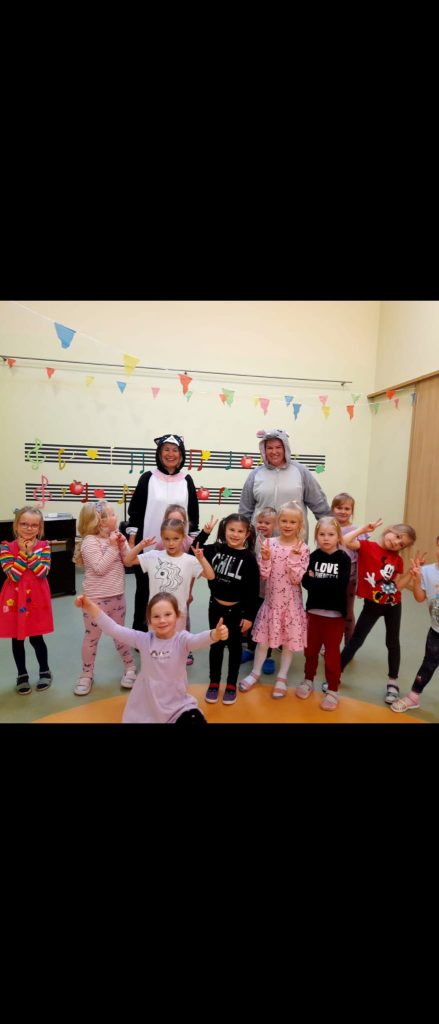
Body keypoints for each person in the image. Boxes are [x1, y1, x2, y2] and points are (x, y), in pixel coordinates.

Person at [75, 591, 229, 724]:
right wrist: (90, 607)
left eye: (167, 614)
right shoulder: (143, 640)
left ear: (177, 615)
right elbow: (114, 629)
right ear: (149, 620)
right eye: (156, 616)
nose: (162, 620)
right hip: (147, 706)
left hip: (177, 706)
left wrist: (214, 634)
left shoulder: (182, 640)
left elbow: (198, 639)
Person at [126, 434, 199, 630]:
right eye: (166, 449)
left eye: (175, 450)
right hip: (149, 548)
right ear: (159, 453)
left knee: (176, 593)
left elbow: (193, 515)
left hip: (178, 549)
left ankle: (173, 634)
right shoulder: (148, 478)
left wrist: (193, 546)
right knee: (145, 592)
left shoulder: (187, 480)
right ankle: (141, 634)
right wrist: (132, 540)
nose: (170, 454)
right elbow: (135, 511)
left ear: (181, 455)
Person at [72, 501, 145, 696]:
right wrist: (113, 546)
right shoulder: (90, 542)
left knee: (120, 634)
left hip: (117, 596)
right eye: (112, 514)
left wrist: (124, 544)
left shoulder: (115, 537)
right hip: (95, 601)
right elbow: (99, 568)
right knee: (92, 637)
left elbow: (127, 561)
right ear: (100, 521)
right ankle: (86, 674)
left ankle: (130, 667)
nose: (116, 517)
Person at [341, 518, 416, 705]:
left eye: (402, 544)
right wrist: (363, 529)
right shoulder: (367, 546)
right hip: (371, 606)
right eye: (397, 536)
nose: (396, 543)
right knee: (357, 639)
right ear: (390, 529)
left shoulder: (397, 560)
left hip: (393, 605)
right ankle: (336, 673)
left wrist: (410, 575)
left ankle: (393, 682)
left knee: (393, 642)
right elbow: (345, 541)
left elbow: (398, 586)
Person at [239, 501, 309, 698]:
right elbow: (264, 574)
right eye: (284, 521)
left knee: (287, 643)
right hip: (271, 603)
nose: (287, 525)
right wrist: (266, 558)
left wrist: (294, 558)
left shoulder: (302, 548)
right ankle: (255, 672)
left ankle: (282, 676)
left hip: (291, 605)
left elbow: (296, 579)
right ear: (278, 522)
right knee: (263, 641)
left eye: (292, 522)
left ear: (300, 525)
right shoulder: (269, 543)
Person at [199, 514, 260, 706]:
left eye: (240, 531)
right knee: (216, 645)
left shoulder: (249, 559)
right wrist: (204, 533)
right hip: (215, 608)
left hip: (237, 611)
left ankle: (231, 684)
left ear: (247, 534)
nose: (235, 534)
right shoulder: (215, 549)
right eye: (231, 530)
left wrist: (249, 616)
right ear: (224, 530)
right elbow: (194, 549)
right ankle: (214, 683)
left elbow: (253, 591)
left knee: (234, 648)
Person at [295, 516, 352, 711]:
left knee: (331, 654)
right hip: (314, 613)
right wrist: (320, 582)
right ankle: (308, 680)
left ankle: (333, 690)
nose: (326, 538)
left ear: (338, 537)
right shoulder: (313, 556)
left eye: (331, 534)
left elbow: (340, 585)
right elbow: (305, 582)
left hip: (335, 616)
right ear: (316, 536)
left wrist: (316, 580)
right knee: (310, 651)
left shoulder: (343, 558)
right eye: (322, 534)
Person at [154, 505, 218, 667]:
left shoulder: (188, 542)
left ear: (186, 524)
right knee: (164, 618)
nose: (175, 525)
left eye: (180, 522)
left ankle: (185, 646)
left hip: (183, 592)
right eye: (171, 520)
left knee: (183, 618)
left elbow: (194, 566)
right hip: (164, 592)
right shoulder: (161, 544)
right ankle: (162, 644)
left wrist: (189, 592)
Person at [239, 428, 330, 542]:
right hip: (261, 541)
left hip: (294, 542)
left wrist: (330, 531)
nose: (274, 452)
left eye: (278, 447)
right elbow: (245, 510)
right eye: (269, 448)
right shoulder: (255, 474)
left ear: (285, 448)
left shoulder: (301, 471)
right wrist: (243, 537)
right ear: (264, 450)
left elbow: (319, 504)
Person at [125, 517, 215, 631]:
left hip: (178, 615)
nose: (171, 543)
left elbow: (211, 576)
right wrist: (141, 545)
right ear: (161, 538)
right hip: (156, 614)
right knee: (155, 641)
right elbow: (127, 561)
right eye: (166, 539)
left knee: (177, 641)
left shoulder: (189, 560)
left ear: (183, 538)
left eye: (176, 538)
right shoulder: (153, 556)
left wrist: (201, 559)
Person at [0, 506, 53, 695]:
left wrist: (30, 554)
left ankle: (45, 670)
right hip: (14, 599)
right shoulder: (6, 547)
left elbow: (42, 572)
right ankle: (21, 674)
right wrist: (22, 553)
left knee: (37, 637)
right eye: (24, 524)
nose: (29, 528)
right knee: (17, 639)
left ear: (40, 528)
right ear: (16, 525)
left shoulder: (44, 546)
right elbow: (13, 575)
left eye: (34, 525)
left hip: (36, 598)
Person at [391, 538, 438, 713]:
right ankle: (413, 697)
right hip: (436, 631)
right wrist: (417, 580)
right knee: (428, 663)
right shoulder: (427, 571)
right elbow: (419, 598)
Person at [241, 506, 277, 674]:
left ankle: (268, 656)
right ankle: (250, 648)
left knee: (267, 624)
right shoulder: (252, 541)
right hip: (252, 590)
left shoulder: (277, 543)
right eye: (260, 522)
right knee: (252, 619)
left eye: (267, 523)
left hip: (269, 592)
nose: (262, 525)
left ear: (275, 525)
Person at [331, 492, 369, 647]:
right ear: (333, 509)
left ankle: (349, 646)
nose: (343, 511)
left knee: (347, 611)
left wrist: (363, 580)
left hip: (350, 577)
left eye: (347, 508)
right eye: (339, 508)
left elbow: (364, 553)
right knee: (331, 610)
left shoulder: (357, 530)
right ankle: (329, 644)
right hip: (330, 574)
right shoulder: (327, 526)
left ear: (352, 511)